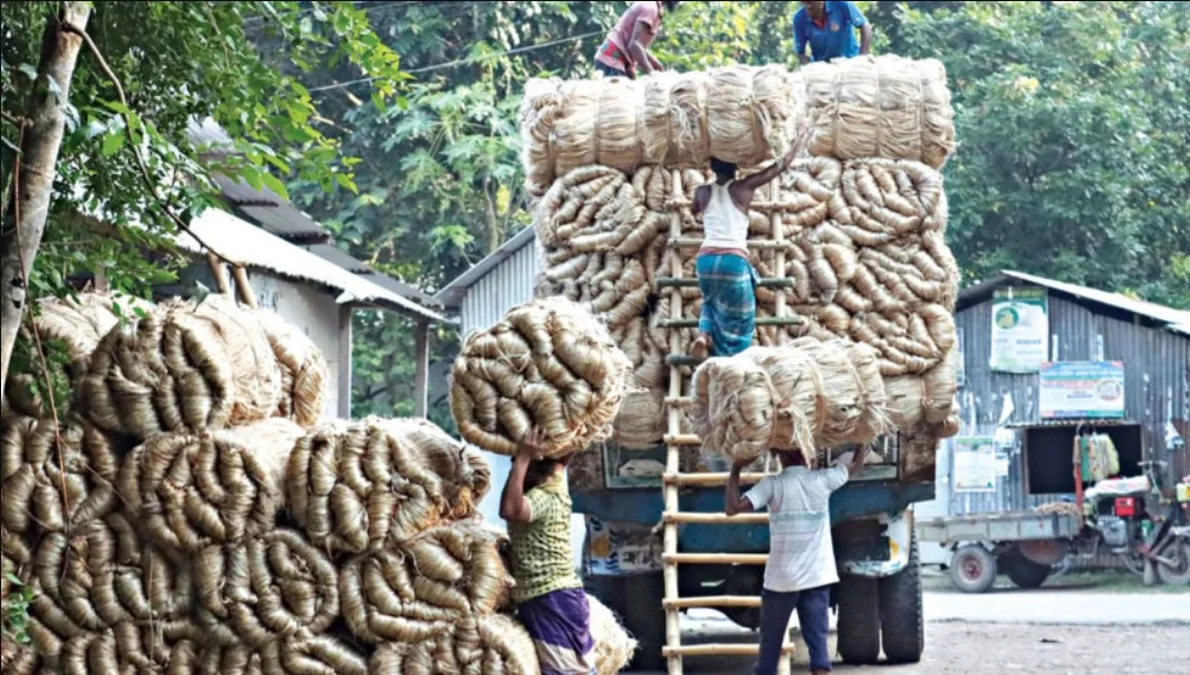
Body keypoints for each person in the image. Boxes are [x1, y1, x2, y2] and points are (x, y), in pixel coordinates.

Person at [724, 445, 871, 675]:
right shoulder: (823, 480)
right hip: (817, 579)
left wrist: (735, 469)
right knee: (819, 655)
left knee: (768, 656)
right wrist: (862, 443)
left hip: (780, 582)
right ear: (808, 455)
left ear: (779, 457)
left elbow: (732, 508)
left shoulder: (772, 485)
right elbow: (855, 466)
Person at [689, 140, 802, 360]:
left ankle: (704, 335)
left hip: (706, 261)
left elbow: (693, 210)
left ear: (712, 167)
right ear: (736, 167)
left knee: (710, 302)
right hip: (733, 259)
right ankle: (734, 364)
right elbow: (777, 168)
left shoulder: (702, 191)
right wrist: (797, 144)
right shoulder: (744, 188)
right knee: (741, 318)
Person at [500, 428, 596, 675]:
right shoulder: (556, 480)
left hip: (551, 598)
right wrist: (575, 433)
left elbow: (510, 509)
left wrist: (522, 457)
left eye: (519, 466)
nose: (515, 471)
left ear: (536, 467)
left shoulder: (544, 497)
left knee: (565, 671)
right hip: (561, 597)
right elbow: (563, 458)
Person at [593, 1, 681, 79]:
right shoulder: (650, 8)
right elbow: (634, 44)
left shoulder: (653, 6)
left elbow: (635, 42)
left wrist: (652, 61)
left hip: (617, 62)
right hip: (611, 62)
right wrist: (652, 74)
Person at [794, 1, 872, 64]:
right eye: (804, 2)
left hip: (850, 61)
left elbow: (864, 25)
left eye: (811, 3)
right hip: (825, 68)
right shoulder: (799, 18)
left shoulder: (841, 4)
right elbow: (800, 52)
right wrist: (812, 66)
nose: (808, 7)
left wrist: (863, 56)